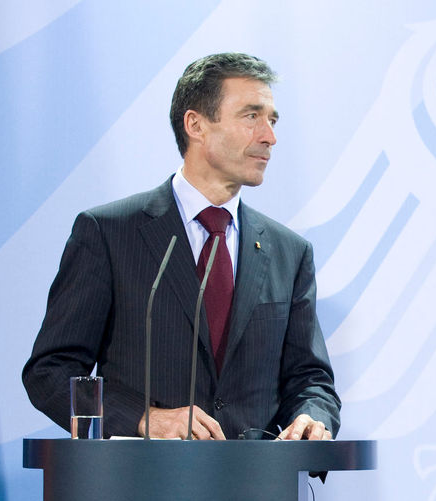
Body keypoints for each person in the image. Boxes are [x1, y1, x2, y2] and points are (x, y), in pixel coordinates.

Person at [23, 53, 339, 440]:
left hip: (256, 490)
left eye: (272, 120)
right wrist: (146, 418)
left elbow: (310, 378)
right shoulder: (108, 233)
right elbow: (51, 372)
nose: (269, 136)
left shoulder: (290, 252)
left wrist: (312, 416)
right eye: (251, 116)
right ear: (196, 124)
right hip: (144, 487)